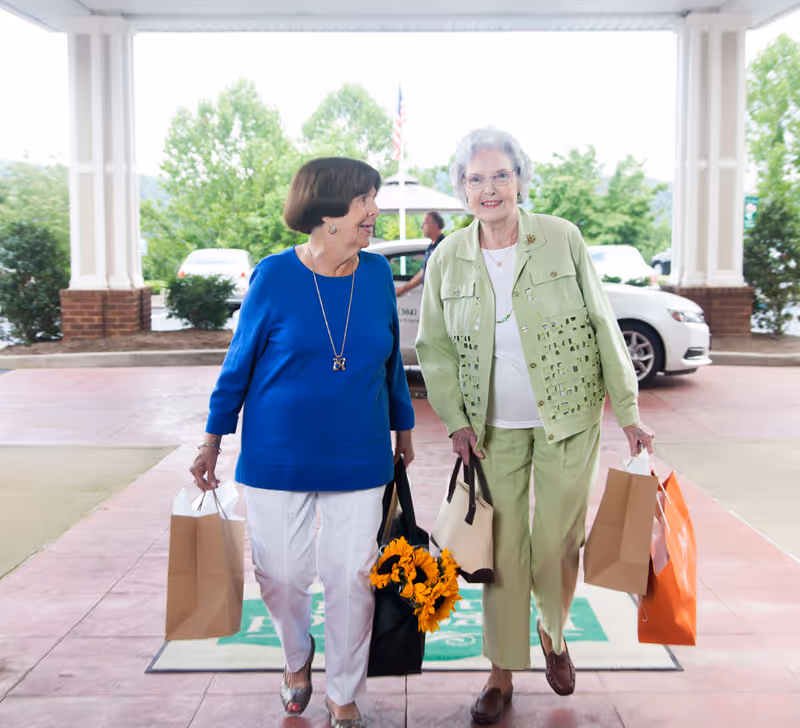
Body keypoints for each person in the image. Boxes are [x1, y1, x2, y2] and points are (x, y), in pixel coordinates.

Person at [416, 128, 654, 725]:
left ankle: (553, 631)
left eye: (501, 176)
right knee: (502, 553)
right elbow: (435, 347)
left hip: (568, 421)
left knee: (554, 545)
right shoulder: (448, 256)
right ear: (461, 191)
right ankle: (500, 674)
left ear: (520, 179)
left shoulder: (561, 239)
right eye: (476, 179)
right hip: (490, 430)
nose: (489, 189)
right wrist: (455, 422)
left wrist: (628, 411)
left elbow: (602, 323)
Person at [190, 157, 416, 728]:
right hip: (277, 456)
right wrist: (213, 438)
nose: (375, 210)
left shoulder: (376, 277)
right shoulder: (274, 275)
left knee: (351, 578)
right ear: (328, 211)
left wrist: (404, 426)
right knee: (282, 575)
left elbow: (389, 364)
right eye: (366, 200)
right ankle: (298, 656)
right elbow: (238, 363)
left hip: (360, 454)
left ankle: (343, 692)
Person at [395, 211, 446, 297]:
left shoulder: (443, 247)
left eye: (424, 223)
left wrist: (402, 290)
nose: (421, 227)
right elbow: (423, 272)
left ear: (435, 225)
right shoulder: (432, 247)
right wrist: (402, 290)